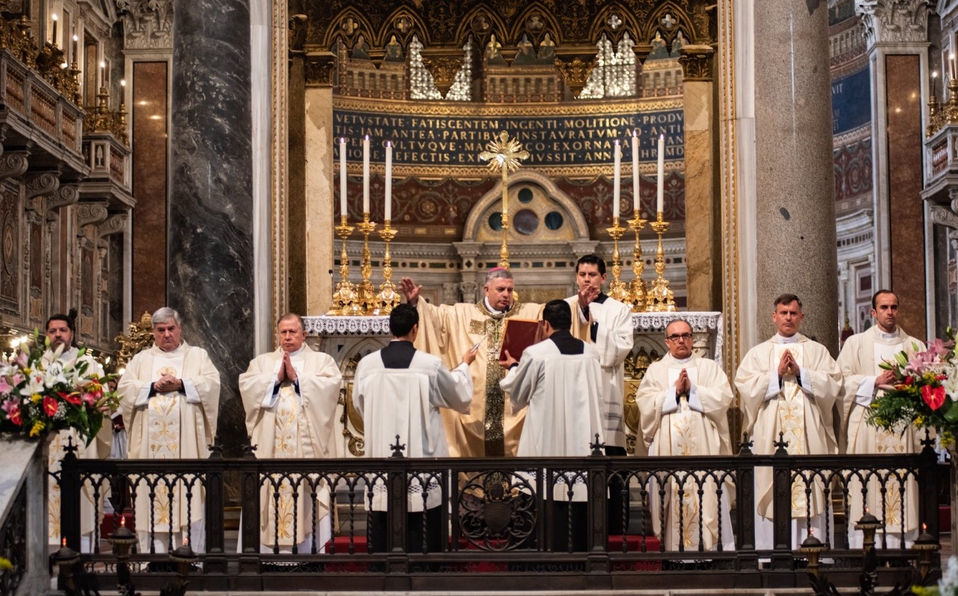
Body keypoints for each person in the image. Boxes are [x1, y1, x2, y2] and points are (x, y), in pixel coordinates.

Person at [353, 303, 475, 553]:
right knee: (424, 513)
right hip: (421, 456)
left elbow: (359, 404)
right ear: (415, 329)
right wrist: (464, 365)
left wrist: (381, 419)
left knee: (384, 504)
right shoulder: (429, 365)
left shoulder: (367, 365)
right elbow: (458, 395)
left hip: (382, 456)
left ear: (390, 328)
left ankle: (383, 565)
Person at [734, 294, 843, 550]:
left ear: (801, 317)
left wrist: (801, 373)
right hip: (769, 436)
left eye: (793, 313)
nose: (788, 318)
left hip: (809, 436)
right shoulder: (759, 353)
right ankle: (771, 553)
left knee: (810, 486)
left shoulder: (817, 352)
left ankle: (813, 552)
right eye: (783, 313)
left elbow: (833, 383)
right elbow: (745, 387)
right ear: (774, 317)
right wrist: (777, 375)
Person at [399, 267, 541, 458]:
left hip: (513, 410)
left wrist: (581, 305)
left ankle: (514, 486)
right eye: (500, 289)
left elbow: (561, 314)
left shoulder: (529, 313)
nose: (506, 294)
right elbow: (432, 318)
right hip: (474, 409)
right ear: (486, 289)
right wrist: (416, 301)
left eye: (509, 289)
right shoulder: (462, 314)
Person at [499, 300, 604, 551]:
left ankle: (540, 550)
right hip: (583, 439)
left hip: (547, 438)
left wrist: (513, 367)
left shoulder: (536, 354)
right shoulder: (591, 353)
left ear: (544, 324)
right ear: (569, 323)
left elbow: (519, 392)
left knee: (543, 488)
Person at [117, 307, 220, 554]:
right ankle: (152, 557)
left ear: (180, 328)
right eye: (161, 330)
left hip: (186, 450)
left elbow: (212, 384)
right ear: (153, 332)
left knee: (186, 500)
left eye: (171, 329)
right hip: (148, 453)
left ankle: (188, 556)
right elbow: (124, 390)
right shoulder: (141, 360)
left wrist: (182, 383)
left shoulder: (198, 356)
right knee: (150, 501)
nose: (166, 335)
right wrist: (152, 386)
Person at [239, 313, 342, 554]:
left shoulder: (322, 361)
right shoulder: (262, 363)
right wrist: (275, 379)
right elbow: (247, 387)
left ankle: (308, 556)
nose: (287, 337)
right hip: (270, 452)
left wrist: (298, 379)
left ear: (303, 334)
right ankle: (268, 557)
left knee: (305, 497)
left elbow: (330, 389)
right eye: (283, 332)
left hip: (306, 454)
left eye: (292, 332)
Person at [837, 290, 926, 548]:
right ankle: (865, 545)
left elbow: (926, 385)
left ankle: (904, 547)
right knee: (869, 481)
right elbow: (840, 380)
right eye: (884, 307)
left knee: (903, 484)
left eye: (894, 307)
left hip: (904, 426)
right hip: (870, 421)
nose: (890, 312)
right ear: (873, 312)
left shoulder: (914, 346)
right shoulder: (856, 344)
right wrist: (874, 381)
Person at [636, 319, 735, 551]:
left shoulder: (709, 368)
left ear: (692, 339)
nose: (681, 340)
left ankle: (709, 552)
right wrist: (673, 393)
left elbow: (723, 398)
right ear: (667, 342)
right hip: (667, 449)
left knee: (706, 493)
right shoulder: (656, 370)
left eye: (686, 335)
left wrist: (693, 391)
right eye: (675, 337)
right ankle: (674, 553)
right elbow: (644, 403)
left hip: (704, 448)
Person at [565, 254, 634, 534]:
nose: (586, 280)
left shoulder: (619, 310)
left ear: (604, 278)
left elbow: (620, 349)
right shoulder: (566, 307)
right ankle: (575, 527)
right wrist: (580, 313)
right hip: (574, 394)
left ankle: (613, 528)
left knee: (609, 457)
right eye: (582, 274)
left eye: (592, 274)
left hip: (605, 390)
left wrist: (593, 324)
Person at [44, 313, 111, 552]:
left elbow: (103, 399)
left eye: (63, 330)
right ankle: (45, 550)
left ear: (72, 333)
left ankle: (83, 550)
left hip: (79, 436)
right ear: (46, 335)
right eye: (53, 331)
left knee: (83, 494)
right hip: (47, 440)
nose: (58, 335)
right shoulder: (38, 364)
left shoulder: (89, 364)